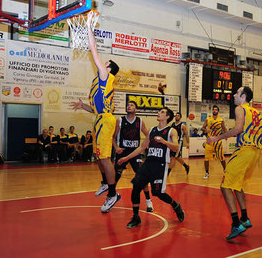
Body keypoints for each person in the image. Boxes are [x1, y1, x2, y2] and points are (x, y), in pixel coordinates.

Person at [70, 13, 121, 213]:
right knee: (99, 157)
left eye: (105, 62)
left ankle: (113, 194)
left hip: (105, 122)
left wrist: (88, 26)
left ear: (108, 68)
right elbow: (98, 108)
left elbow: (93, 50)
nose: (103, 63)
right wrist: (84, 106)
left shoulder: (105, 75)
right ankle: (106, 184)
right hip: (100, 118)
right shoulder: (99, 84)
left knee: (105, 159)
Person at [208, 87, 262, 240]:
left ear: (243, 96)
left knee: (225, 186)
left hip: (244, 151)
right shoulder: (256, 112)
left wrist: (217, 138)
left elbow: (238, 129)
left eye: (237, 93)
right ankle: (245, 218)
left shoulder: (240, 109)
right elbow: (261, 134)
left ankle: (236, 223)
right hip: (255, 152)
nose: (233, 95)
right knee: (236, 185)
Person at [117, 107, 185, 229]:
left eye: (162, 112)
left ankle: (176, 206)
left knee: (157, 193)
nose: (159, 113)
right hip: (148, 164)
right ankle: (136, 217)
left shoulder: (171, 131)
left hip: (160, 165)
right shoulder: (152, 130)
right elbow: (142, 147)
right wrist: (126, 158)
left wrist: (165, 142)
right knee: (136, 187)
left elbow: (176, 147)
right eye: (159, 111)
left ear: (167, 117)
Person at [112, 101, 154, 212]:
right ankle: (111, 197)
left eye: (131, 105)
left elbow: (148, 135)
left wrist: (150, 144)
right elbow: (113, 137)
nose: (129, 106)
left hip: (136, 152)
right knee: (115, 175)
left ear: (136, 110)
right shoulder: (120, 120)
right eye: (128, 105)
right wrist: (116, 148)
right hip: (122, 151)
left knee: (142, 176)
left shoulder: (140, 121)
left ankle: (148, 201)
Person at [201, 105, 227, 179]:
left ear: (218, 111)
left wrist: (226, 136)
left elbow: (224, 128)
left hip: (217, 142)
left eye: (216, 110)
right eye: (213, 110)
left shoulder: (221, 120)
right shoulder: (208, 119)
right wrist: (205, 130)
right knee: (206, 158)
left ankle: (225, 170)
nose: (214, 111)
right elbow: (202, 128)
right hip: (209, 141)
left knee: (221, 157)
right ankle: (207, 173)